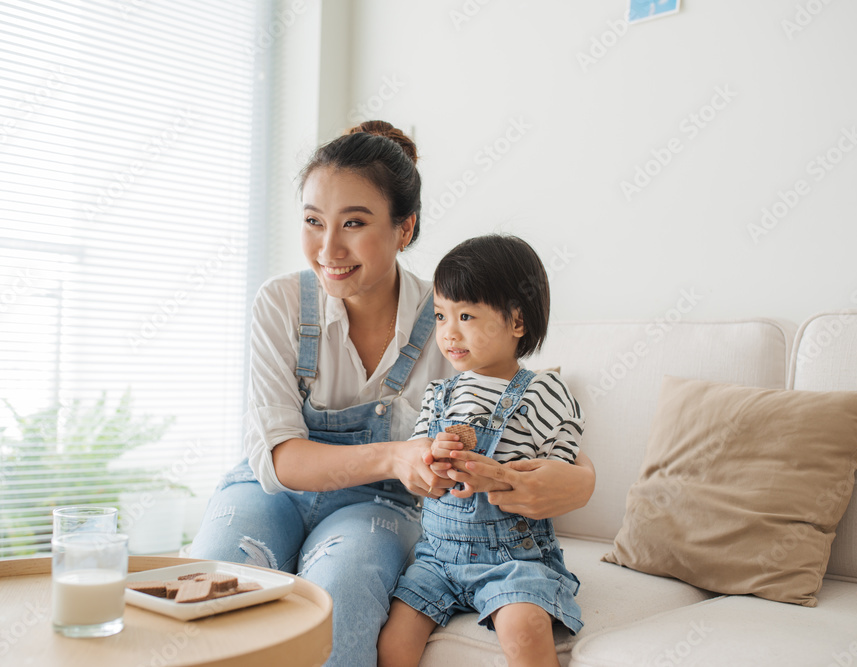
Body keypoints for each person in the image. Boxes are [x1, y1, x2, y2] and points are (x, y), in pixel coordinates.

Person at [188, 122, 596, 667]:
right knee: (215, 581)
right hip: (269, 489)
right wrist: (397, 454)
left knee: (343, 587)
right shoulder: (280, 303)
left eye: (354, 223)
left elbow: (518, 405)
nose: (328, 248)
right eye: (313, 222)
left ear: (405, 229)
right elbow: (279, 456)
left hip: (379, 503)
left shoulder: (450, 320)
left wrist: (580, 479)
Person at [378, 235, 584, 667]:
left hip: (514, 558)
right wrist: (432, 454)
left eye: (466, 315)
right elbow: (418, 463)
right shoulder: (439, 393)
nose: (448, 332)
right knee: (393, 642)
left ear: (517, 322)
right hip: (437, 556)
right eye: (440, 316)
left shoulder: (543, 391)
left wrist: (505, 478)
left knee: (525, 629)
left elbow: (556, 475)